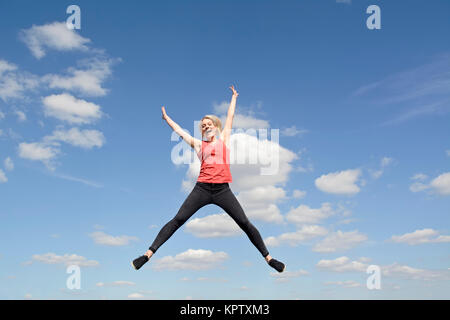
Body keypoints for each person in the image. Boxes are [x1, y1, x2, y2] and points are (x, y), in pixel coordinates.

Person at [132, 85, 285, 273]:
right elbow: (180, 132)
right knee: (178, 219)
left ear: (215, 126)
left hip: (222, 190)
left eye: (208, 124)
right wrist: (167, 119)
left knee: (244, 223)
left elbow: (230, 118)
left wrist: (234, 98)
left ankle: (269, 259)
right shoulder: (198, 145)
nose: (205, 127)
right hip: (202, 189)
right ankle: (147, 255)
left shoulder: (224, 140)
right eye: (203, 125)